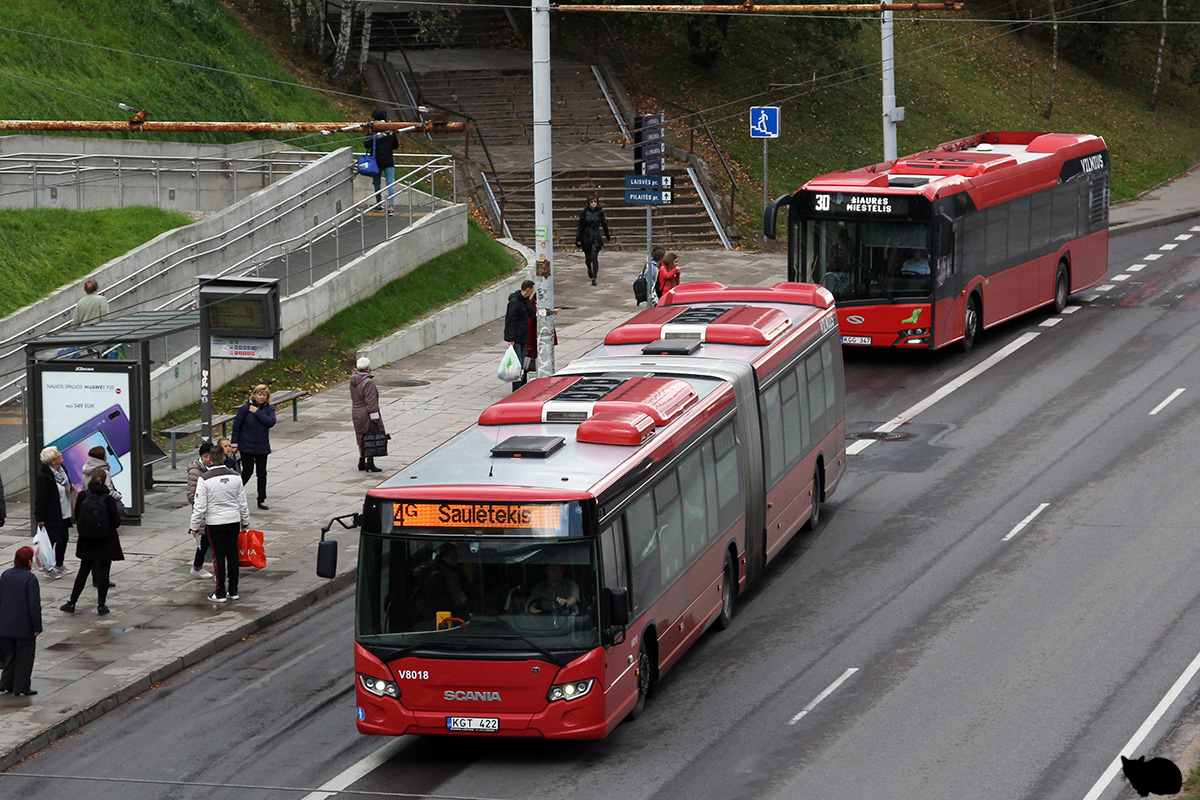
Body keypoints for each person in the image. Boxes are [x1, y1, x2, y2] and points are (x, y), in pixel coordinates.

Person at [60, 469, 123, 616]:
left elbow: (77, 515)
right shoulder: (108, 498)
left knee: (84, 570)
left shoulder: (83, 495)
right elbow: (116, 521)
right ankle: (101, 605)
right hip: (106, 539)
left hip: (87, 539)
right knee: (104, 572)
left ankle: (72, 602)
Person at [189, 452, 250, 603]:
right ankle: (233, 590)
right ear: (223, 458)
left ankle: (220, 591)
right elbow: (242, 502)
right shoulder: (235, 476)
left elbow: (200, 507)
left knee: (219, 557)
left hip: (215, 523)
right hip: (233, 521)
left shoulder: (205, 479)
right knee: (233, 555)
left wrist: (194, 526)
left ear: (210, 460)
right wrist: (245, 522)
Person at [0, 546, 42, 697]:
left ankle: (6, 683)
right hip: (23, 627)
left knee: (10, 656)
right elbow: (34, 606)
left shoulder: (6, 574)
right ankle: (21, 687)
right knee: (24, 657)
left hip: (5, 625)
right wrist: (37, 626)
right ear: (29, 561)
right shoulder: (30, 579)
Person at [232, 384, 276, 510]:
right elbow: (237, 426)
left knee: (262, 473)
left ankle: (261, 499)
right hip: (247, 446)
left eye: (264, 395)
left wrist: (257, 412)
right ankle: (234, 493)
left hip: (262, 446)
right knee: (247, 471)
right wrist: (234, 444)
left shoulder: (269, 409)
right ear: (254, 395)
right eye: (259, 394)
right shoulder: (245, 408)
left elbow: (270, 422)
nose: (261, 397)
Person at [34, 447, 74, 578]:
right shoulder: (45, 478)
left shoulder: (63, 470)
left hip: (65, 512)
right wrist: (40, 518)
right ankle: (48, 568)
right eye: (58, 455)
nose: (61, 455)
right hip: (52, 515)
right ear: (52, 461)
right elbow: (41, 499)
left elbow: (66, 484)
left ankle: (59, 564)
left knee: (63, 539)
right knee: (50, 542)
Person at [185, 441, 219, 580]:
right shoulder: (195, 472)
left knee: (209, 541)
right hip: (203, 513)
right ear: (200, 456)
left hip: (215, 511)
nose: (209, 459)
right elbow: (191, 496)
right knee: (205, 540)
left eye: (211, 456)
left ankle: (199, 566)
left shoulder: (216, 468)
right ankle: (197, 567)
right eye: (206, 456)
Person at [350, 357, 385, 473]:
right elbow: (371, 401)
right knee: (371, 435)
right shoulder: (368, 382)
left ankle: (361, 461)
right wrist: (375, 417)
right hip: (366, 413)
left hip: (356, 412)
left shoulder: (353, 380)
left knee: (360, 436)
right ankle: (370, 462)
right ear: (368, 367)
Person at [503, 280, 536, 392]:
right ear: (528, 289)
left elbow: (532, 314)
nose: (533, 292)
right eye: (532, 289)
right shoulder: (515, 302)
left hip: (523, 336)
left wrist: (548, 313)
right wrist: (510, 338)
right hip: (516, 338)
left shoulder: (525, 301)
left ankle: (520, 387)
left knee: (521, 363)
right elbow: (510, 320)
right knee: (517, 364)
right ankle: (516, 388)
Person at [366, 108, 399, 216]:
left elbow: (366, 144)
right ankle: (391, 206)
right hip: (388, 160)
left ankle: (379, 203)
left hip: (376, 161)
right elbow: (395, 146)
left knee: (377, 183)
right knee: (390, 183)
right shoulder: (390, 129)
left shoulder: (373, 129)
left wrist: (369, 133)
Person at [421, 543, 469, 619]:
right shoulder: (437, 576)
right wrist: (458, 601)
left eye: (457, 556)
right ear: (444, 557)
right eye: (453, 556)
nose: (456, 559)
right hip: (444, 617)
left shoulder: (455, 570)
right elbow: (437, 602)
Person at [575, 195, 611, 286]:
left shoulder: (600, 212)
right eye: (591, 202)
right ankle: (589, 269)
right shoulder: (584, 212)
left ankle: (594, 277)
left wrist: (607, 236)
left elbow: (604, 224)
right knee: (588, 258)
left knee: (594, 257)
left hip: (596, 235)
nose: (593, 203)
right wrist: (578, 238)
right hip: (586, 236)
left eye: (595, 201)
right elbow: (581, 226)